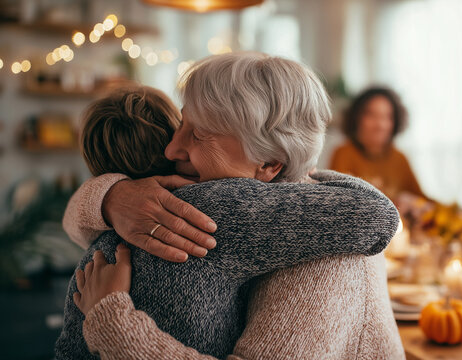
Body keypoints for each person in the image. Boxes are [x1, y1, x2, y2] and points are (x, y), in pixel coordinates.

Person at [56, 53, 404, 359]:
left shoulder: (325, 261)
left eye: (199, 134)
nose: (170, 150)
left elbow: (379, 215)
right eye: (183, 123)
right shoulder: (264, 203)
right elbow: (77, 226)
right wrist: (112, 196)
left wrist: (112, 321)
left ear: (269, 164)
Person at [330, 87, 426, 201]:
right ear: (357, 118)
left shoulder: (400, 158)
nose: (380, 125)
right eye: (372, 115)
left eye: (387, 117)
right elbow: (339, 202)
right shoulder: (343, 154)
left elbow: (422, 199)